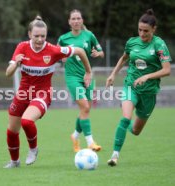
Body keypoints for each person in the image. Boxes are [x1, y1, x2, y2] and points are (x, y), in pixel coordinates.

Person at [4, 16, 92, 168]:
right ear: (29, 34)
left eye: (43, 36)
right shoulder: (22, 47)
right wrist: (16, 63)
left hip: (42, 94)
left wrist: (88, 72)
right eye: (36, 36)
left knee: (26, 121)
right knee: (12, 131)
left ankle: (33, 149)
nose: (39, 39)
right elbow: (8, 73)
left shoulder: (53, 50)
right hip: (23, 94)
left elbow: (79, 51)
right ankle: (14, 162)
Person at [106, 9, 171, 166]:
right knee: (125, 118)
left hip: (149, 93)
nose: (142, 34)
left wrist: (147, 76)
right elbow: (124, 58)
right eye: (140, 30)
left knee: (135, 131)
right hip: (131, 86)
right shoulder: (132, 42)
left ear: (154, 29)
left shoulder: (159, 45)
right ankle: (114, 156)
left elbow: (167, 70)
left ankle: (127, 129)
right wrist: (113, 74)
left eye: (146, 31)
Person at [57, 9, 104, 153]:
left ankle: (75, 136)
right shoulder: (63, 38)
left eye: (78, 18)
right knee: (85, 107)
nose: (76, 21)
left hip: (88, 76)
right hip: (73, 78)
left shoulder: (89, 35)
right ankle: (90, 142)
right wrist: (61, 58)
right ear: (69, 22)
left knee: (86, 110)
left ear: (82, 20)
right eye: (73, 19)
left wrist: (98, 53)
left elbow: (101, 53)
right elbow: (55, 54)